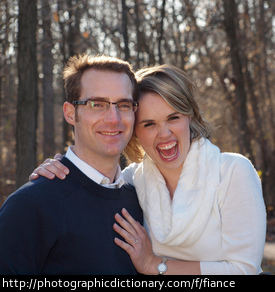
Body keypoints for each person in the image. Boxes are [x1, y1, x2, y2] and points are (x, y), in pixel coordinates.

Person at [30, 64, 266, 275]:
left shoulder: (232, 172)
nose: (164, 134)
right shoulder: (132, 182)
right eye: (149, 124)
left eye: (173, 118)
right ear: (136, 131)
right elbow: (91, 187)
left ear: (189, 117)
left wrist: (155, 265)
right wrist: (59, 170)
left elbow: (243, 269)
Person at [0, 54, 143, 275]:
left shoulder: (141, 202)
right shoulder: (31, 206)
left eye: (123, 105)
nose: (114, 118)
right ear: (69, 112)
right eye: (97, 104)